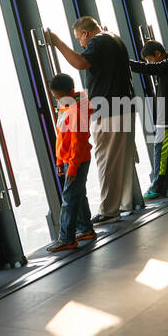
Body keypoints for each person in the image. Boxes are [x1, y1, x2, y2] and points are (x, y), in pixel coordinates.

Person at [45, 16, 136, 224]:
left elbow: (80, 62)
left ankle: (108, 211)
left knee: (106, 160)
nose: (80, 43)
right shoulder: (115, 38)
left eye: (79, 39)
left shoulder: (99, 41)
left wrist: (57, 42)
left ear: (86, 33)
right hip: (125, 106)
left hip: (109, 110)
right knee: (121, 158)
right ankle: (124, 204)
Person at [45, 73, 97, 253]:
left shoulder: (78, 111)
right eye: (55, 98)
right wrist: (60, 160)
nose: (57, 100)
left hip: (78, 160)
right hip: (69, 159)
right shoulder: (66, 106)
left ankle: (67, 238)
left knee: (69, 198)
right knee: (77, 194)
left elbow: (78, 142)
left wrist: (72, 167)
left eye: (58, 96)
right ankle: (85, 229)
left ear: (68, 92)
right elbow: (61, 136)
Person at [128, 40, 168, 200]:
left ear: (158, 54)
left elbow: (148, 69)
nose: (149, 62)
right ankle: (167, 186)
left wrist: (125, 62)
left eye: (149, 58)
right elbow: (151, 67)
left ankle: (157, 187)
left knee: (162, 150)